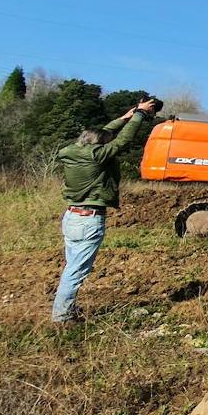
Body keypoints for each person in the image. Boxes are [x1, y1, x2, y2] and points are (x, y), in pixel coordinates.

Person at [51, 97, 159, 324]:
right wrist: (140, 115)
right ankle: (61, 317)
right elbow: (123, 141)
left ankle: (66, 309)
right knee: (76, 272)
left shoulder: (72, 151)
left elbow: (100, 134)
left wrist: (124, 117)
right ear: (98, 145)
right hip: (89, 220)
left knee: (72, 267)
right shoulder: (98, 157)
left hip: (71, 217)